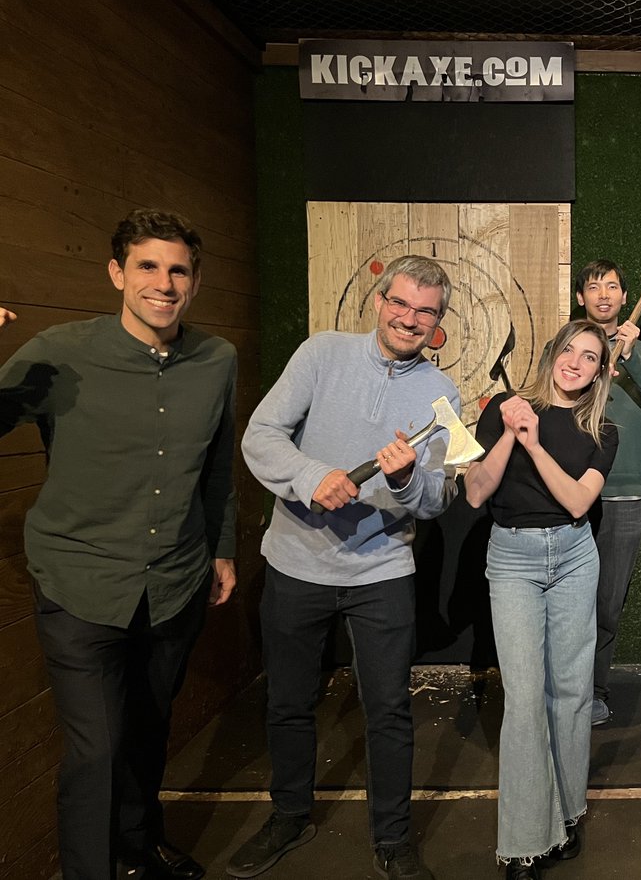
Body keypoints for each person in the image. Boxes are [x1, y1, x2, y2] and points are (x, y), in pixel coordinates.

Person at [0, 209, 237, 880]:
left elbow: (216, 466)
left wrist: (223, 550)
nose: (163, 283)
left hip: (175, 581)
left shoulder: (217, 359)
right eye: (147, 266)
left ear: (195, 281)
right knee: (96, 751)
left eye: (178, 269)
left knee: (146, 732)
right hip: (80, 585)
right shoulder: (59, 350)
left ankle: (138, 848)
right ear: (116, 273)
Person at [236, 255, 460, 880]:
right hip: (295, 562)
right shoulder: (321, 354)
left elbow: (439, 498)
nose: (409, 318)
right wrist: (312, 476)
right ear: (380, 299)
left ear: (438, 323)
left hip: (382, 570)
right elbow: (261, 435)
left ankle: (392, 839)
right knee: (288, 701)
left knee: (388, 707)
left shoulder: (442, 395)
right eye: (401, 302)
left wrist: (410, 478)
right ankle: (288, 817)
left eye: (426, 311)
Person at [464, 319, 617, 880]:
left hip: (575, 554)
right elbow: (477, 492)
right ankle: (525, 842)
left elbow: (578, 502)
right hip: (513, 558)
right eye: (569, 350)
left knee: (572, 691)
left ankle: (568, 811)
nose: (576, 362)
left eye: (591, 357)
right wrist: (509, 433)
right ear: (553, 352)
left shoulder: (604, 430)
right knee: (527, 698)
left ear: (601, 371)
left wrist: (534, 441)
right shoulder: (504, 409)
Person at [573, 260, 641, 726]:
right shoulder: (569, 350)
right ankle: (561, 690)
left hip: (623, 497)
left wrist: (632, 357)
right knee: (567, 600)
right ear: (581, 298)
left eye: (612, 287)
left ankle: (595, 691)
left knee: (607, 602)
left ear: (623, 296)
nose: (603, 295)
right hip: (569, 492)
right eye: (593, 287)